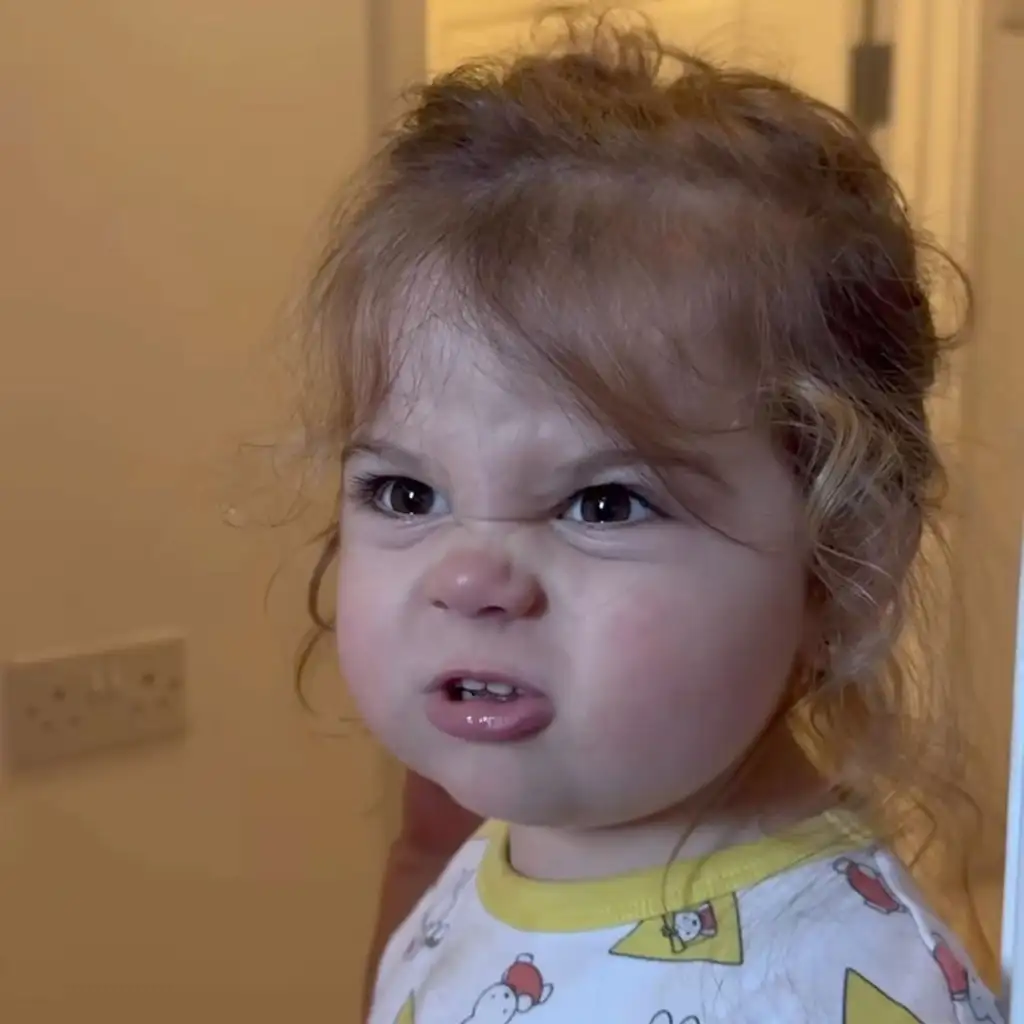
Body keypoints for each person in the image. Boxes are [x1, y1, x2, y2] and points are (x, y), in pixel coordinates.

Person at [298, 13, 1001, 1022]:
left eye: (604, 503)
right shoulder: (487, 860)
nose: (467, 578)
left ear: (844, 563)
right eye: (405, 494)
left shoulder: (819, 991)